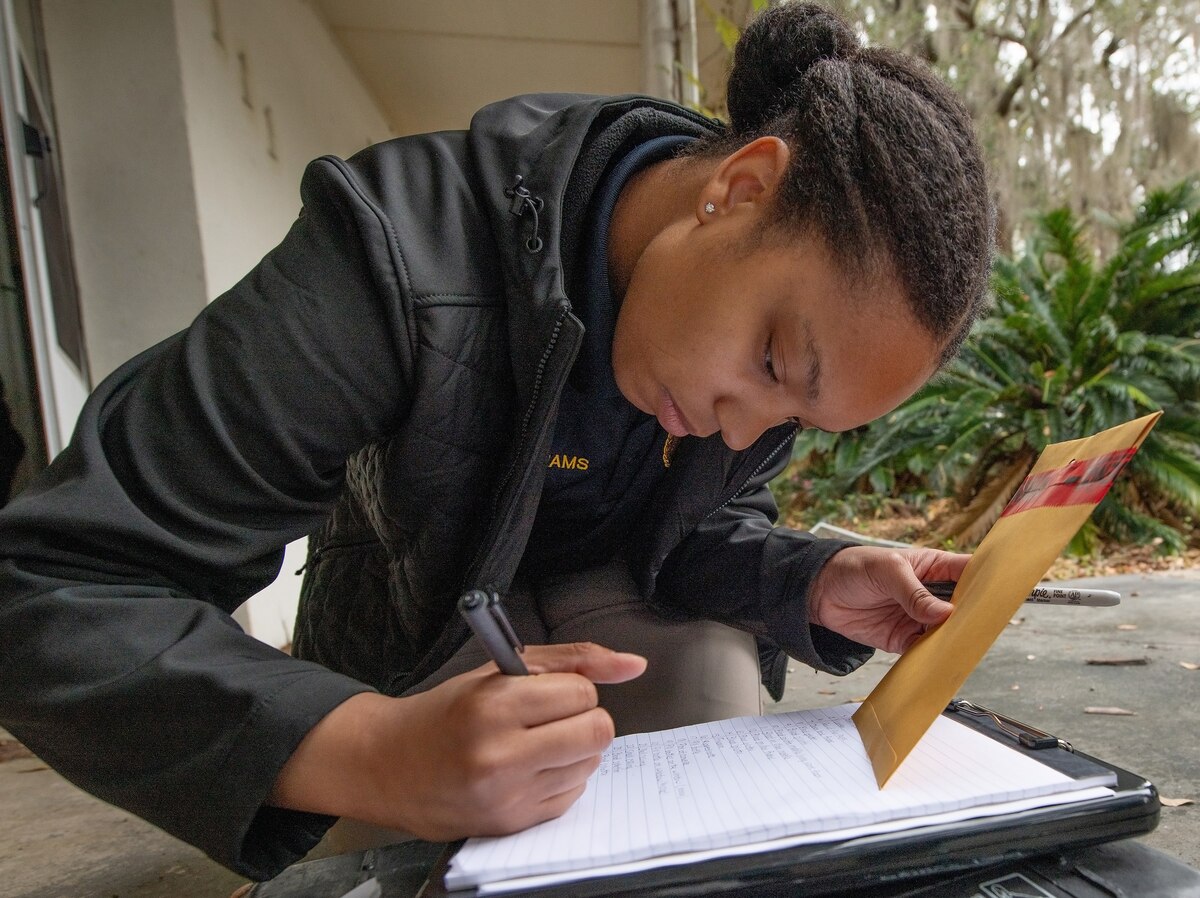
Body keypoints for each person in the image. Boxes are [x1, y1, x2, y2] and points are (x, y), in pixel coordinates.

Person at [0, 2, 993, 883]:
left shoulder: (752, 359)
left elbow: (698, 528)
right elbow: (48, 588)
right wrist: (378, 747)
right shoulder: (396, 255)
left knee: (716, 729)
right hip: (412, 632)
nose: (744, 428)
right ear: (738, 187)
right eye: (774, 366)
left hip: (617, 627)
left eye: (792, 423)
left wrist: (812, 577)